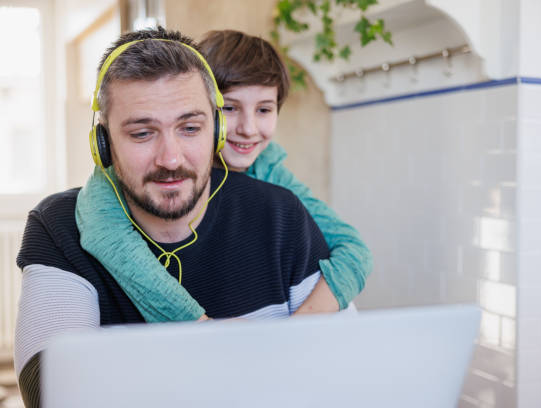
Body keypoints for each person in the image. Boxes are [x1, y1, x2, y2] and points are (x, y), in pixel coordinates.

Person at [14, 27, 331, 407]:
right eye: (143, 133)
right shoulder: (57, 227)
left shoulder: (282, 213)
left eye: (190, 128)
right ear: (104, 145)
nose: (171, 158)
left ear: (216, 131)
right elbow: (55, 391)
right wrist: (225, 353)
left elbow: (339, 368)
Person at [73, 29, 373, 322]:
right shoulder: (112, 183)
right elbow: (105, 236)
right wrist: (202, 330)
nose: (248, 128)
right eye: (230, 107)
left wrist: (296, 330)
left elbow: (355, 252)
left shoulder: (270, 171)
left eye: (265, 110)